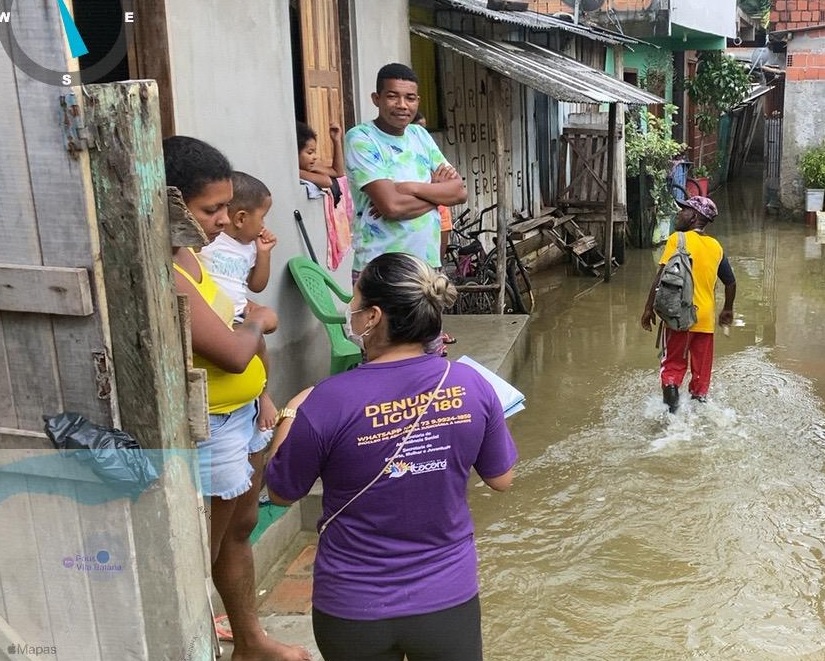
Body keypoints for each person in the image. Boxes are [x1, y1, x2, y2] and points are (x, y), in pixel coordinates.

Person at [264, 252, 518, 661]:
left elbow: (279, 493)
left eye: (355, 299)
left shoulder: (326, 401)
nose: (350, 309)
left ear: (373, 317)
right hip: (446, 599)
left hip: (352, 606)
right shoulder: (473, 384)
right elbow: (501, 479)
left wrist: (292, 411)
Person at [163, 135, 311, 661]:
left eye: (227, 206)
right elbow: (230, 349)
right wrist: (256, 321)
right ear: (169, 203)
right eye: (212, 208)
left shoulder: (191, 254)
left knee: (240, 531)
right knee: (198, 553)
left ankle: (250, 642)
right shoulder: (169, 269)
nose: (225, 220)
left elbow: (235, 308)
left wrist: (249, 322)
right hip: (210, 425)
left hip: (241, 417)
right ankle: (199, 645)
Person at [344, 63, 467, 283]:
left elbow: (459, 192)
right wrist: (436, 192)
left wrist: (408, 188)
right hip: (382, 269)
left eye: (410, 98)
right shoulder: (361, 138)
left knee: (431, 319)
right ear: (376, 98)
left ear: (417, 101)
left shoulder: (419, 134)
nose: (402, 105)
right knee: (382, 319)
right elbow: (392, 206)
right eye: (393, 96)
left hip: (427, 267)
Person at [199, 170, 280, 432]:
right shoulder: (210, 240)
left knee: (260, 349)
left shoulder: (250, 246)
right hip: (212, 317)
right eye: (263, 217)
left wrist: (264, 254)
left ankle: (263, 395)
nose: (264, 225)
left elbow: (256, 284)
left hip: (239, 315)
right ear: (241, 218)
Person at [641, 195, 736, 412]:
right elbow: (730, 282)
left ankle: (672, 422)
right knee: (701, 378)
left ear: (694, 216)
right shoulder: (716, 246)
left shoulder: (678, 239)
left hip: (679, 318)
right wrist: (727, 309)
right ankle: (698, 419)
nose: (679, 213)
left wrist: (648, 308)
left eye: (684, 210)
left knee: (672, 369)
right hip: (705, 321)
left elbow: (660, 276)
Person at [297, 121, 345, 191]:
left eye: (314, 152)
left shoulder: (311, 166)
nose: (315, 157)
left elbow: (338, 172)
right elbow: (327, 182)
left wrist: (336, 140)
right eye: (310, 153)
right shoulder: (298, 172)